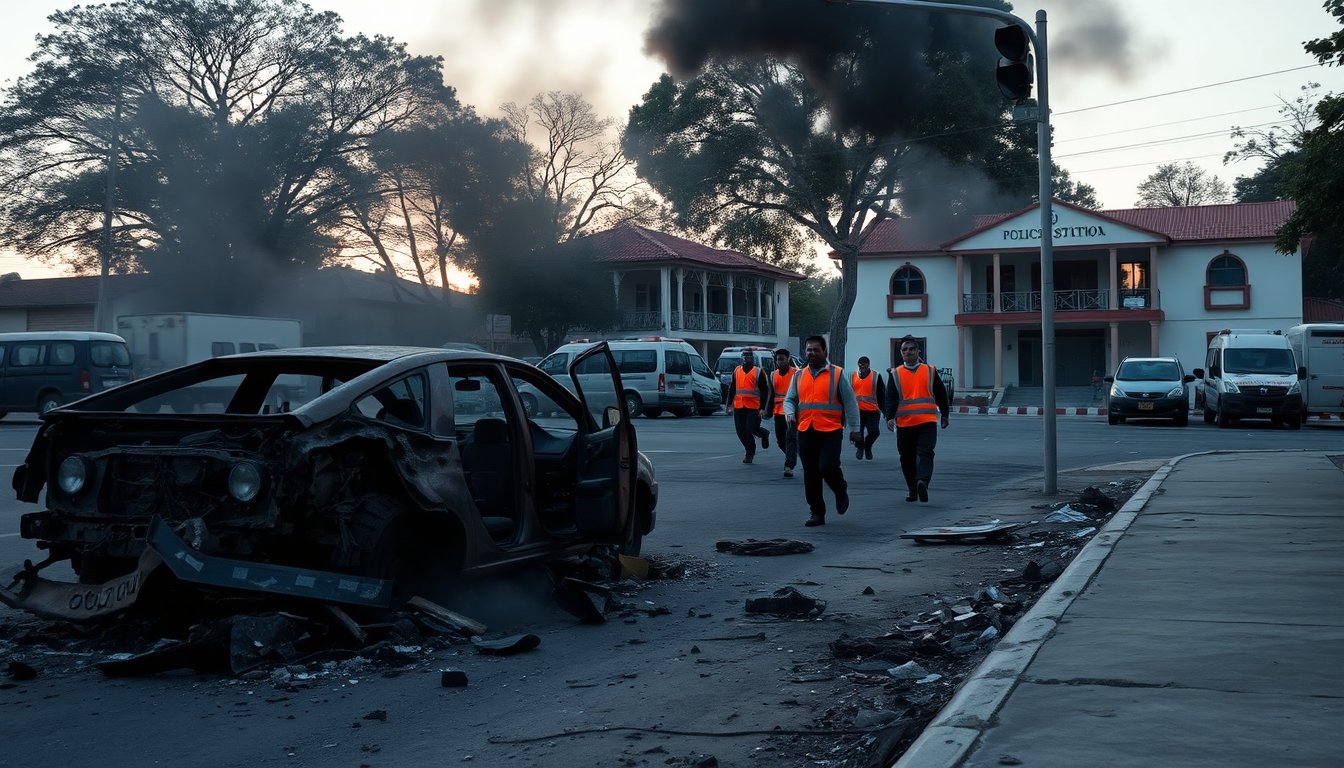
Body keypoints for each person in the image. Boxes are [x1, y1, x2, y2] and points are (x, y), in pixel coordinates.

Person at [784, 335, 860, 527]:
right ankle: (817, 513)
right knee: (810, 474)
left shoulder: (837, 374)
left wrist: (855, 429)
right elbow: (789, 399)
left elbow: (850, 403)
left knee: (827, 467)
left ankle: (840, 489)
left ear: (825, 352)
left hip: (830, 430)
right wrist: (790, 412)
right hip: (806, 430)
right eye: (809, 350)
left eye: (816, 350)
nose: (811, 353)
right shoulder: (799, 375)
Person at [883, 336, 950, 503]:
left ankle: (922, 482)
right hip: (904, 424)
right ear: (900, 353)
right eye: (904, 349)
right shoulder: (895, 374)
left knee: (926, 452)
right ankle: (912, 488)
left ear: (918, 351)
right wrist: (889, 417)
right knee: (906, 458)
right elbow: (890, 398)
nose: (908, 352)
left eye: (911, 349)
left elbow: (941, 393)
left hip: (926, 421)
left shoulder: (930, 371)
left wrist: (945, 415)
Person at [726, 348, 770, 463]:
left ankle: (760, 438)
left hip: (754, 407)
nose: (746, 358)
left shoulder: (759, 372)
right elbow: (732, 389)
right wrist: (729, 405)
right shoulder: (737, 371)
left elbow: (764, 391)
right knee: (741, 431)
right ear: (742, 358)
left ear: (752, 357)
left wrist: (762, 408)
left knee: (750, 429)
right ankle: (749, 450)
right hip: (739, 406)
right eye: (744, 356)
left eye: (749, 356)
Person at [767, 348, 799, 478]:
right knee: (781, 441)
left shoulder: (797, 374)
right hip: (778, 412)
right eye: (778, 359)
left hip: (793, 412)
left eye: (782, 359)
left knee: (791, 438)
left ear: (788, 359)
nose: (779, 362)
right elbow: (771, 394)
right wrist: (767, 410)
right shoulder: (773, 375)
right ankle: (793, 454)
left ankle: (789, 466)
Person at [851, 356, 886, 460]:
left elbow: (882, 395)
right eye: (860, 363)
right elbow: (849, 394)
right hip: (857, 411)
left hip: (872, 411)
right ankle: (860, 448)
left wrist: (885, 411)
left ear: (868, 364)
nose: (862, 365)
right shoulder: (853, 376)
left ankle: (867, 446)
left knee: (875, 432)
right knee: (858, 433)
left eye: (865, 363)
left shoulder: (876, 376)